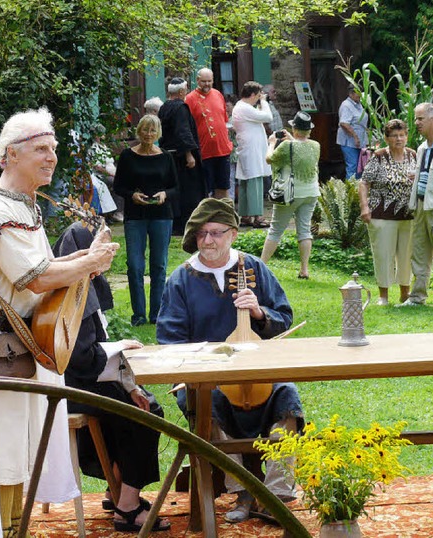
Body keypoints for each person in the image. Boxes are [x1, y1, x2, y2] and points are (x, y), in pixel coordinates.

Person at [0, 108, 120, 537]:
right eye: (40, 149)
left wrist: (85, 259)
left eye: (53, 149)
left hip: (19, 344)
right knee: (0, 451)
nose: (51, 157)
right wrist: (88, 263)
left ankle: (13, 530)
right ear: (11, 155)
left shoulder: (21, 203)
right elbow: (34, 278)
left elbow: (43, 266)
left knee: (16, 450)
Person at [156, 197, 303, 524]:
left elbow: (284, 318)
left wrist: (258, 312)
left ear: (233, 234)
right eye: (201, 234)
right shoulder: (181, 280)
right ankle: (243, 491)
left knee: (287, 397)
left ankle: (277, 493)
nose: (208, 240)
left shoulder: (254, 268)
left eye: (216, 233)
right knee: (210, 401)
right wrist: (205, 361)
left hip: (258, 371)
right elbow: (169, 340)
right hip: (205, 375)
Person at [54, 223, 170, 532]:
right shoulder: (70, 293)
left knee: (138, 398)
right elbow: (80, 357)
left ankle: (116, 488)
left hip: (82, 378)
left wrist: (129, 383)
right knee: (146, 412)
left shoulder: (81, 284)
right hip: (68, 385)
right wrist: (120, 352)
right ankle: (128, 506)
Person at [113, 114, 178, 326]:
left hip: (161, 215)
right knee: (135, 265)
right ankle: (138, 314)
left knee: (159, 265)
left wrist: (164, 194)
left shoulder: (166, 157)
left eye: (152, 131)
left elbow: (176, 187)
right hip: (135, 216)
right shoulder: (127, 156)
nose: (148, 135)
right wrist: (132, 195)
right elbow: (118, 186)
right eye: (145, 130)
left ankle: (156, 314)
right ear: (139, 131)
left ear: (158, 133)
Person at [359, 119, 416, 306]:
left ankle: (405, 293)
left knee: (406, 255)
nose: (399, 139)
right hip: (382, 215)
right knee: (383, 254)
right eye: (394, 136)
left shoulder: (413, 155)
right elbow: (364, 182)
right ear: (386, 138)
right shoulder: (379, 156)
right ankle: (383, 294)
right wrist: (364, 207)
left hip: (409, 216)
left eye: (402, 135)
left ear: (407, 136)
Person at [398, 103, 433, 308]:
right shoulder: (422, 147)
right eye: (416, 118)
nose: (416, 123)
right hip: (420, 205)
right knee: (419, 253)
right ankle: (417, 297)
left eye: (420, 119)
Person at [261, 112, 321, 280]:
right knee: (304, 230)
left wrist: (272, 143)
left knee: (275, 230)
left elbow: (269, 159)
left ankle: (261, 265)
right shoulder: (315, 145)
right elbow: (300, 151)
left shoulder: (287, 146)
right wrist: (291, 140)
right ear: (309, 130)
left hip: (290, 194)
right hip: (311, 192)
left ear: (294, 129)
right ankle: (304, 269)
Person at [158, 76, 206, 235]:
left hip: (169, 156)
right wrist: (189, 155)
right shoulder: (180, 108)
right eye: (185, 90)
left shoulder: (164, 107)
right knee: (188, 191)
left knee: (175, 189)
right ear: (180, 91)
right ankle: (187, 224)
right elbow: (182, 132)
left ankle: (176, 224)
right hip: (181, 158)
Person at [185, 68, 233, 199]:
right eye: (203, 81)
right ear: (197, 80)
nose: (207, 84)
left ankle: (222, 217)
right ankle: (207, 218)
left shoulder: (218, 94)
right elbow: (187, 127)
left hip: (222, 150)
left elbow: (224, 120)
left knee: (223, 187)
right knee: (205, 190)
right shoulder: (189, 99)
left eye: (209, 81)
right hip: (203, 152)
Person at [232, 81, 273, 228]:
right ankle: (257, 217)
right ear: (253, 95)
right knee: (254, 182)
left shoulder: (241, 107)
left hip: (248, 149)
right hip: (251, 150)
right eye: (258, 96)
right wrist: (264, 102)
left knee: (245, 182)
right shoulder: (244, 108)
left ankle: (245, 216)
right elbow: (268, 117)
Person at [337, 85, 368, 180]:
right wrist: (355, 137)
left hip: (360, 142)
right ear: (351, 93)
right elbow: (344, 123)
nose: (360, 95)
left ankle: (358, 190)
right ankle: (351, 192)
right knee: (353, 166)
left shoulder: (358, 104)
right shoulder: (346, 105)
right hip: (350, 142)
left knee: (360, 167)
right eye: (358, 92)